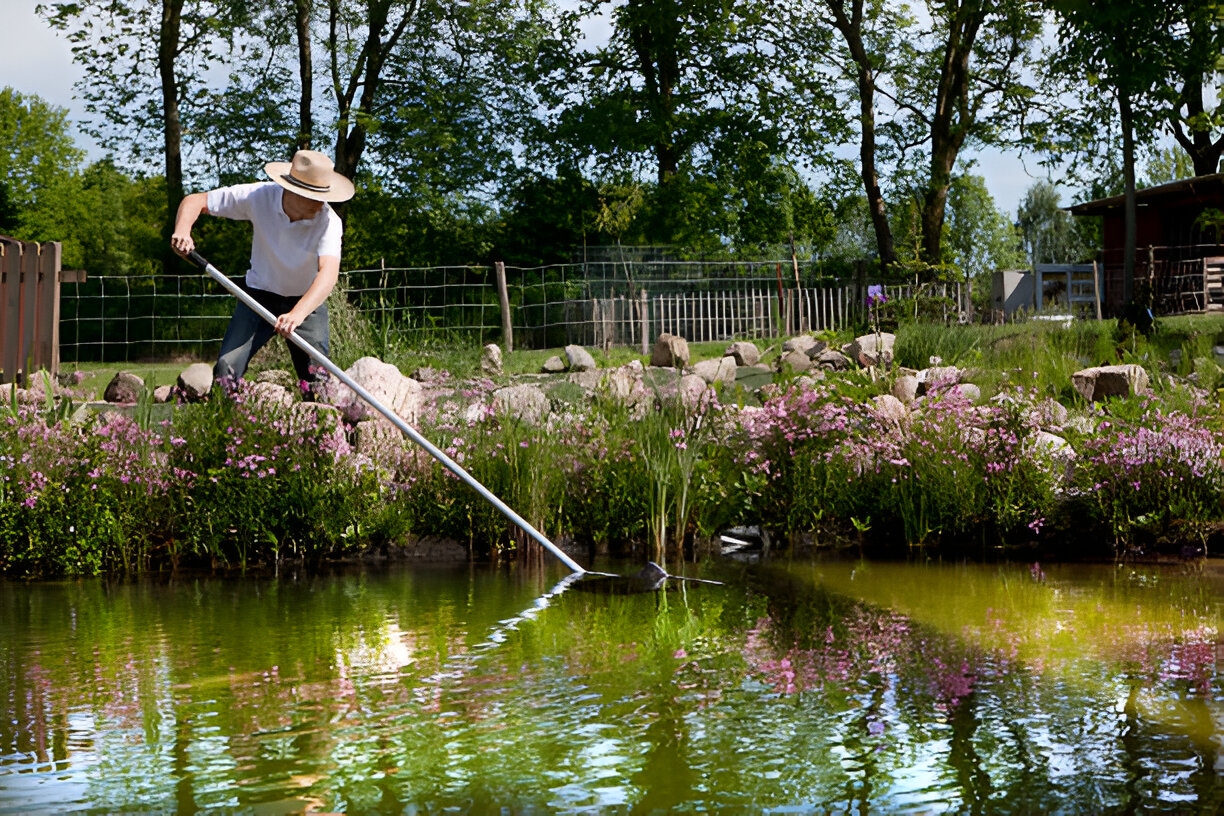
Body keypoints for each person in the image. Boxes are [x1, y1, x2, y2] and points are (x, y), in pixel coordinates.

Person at [170, 149, 355, 391]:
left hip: (306, 303)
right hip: (258, 297)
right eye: (314, 196)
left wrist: (297, 314)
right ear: (292, 191)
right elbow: (196, 201)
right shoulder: (258, 196)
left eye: (323, 195)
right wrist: (183, 230)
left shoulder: (329, 222)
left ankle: (321, 425)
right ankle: (225, 423)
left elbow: (328, 274)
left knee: (317, 378)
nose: (321, 203)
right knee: (227, 368)